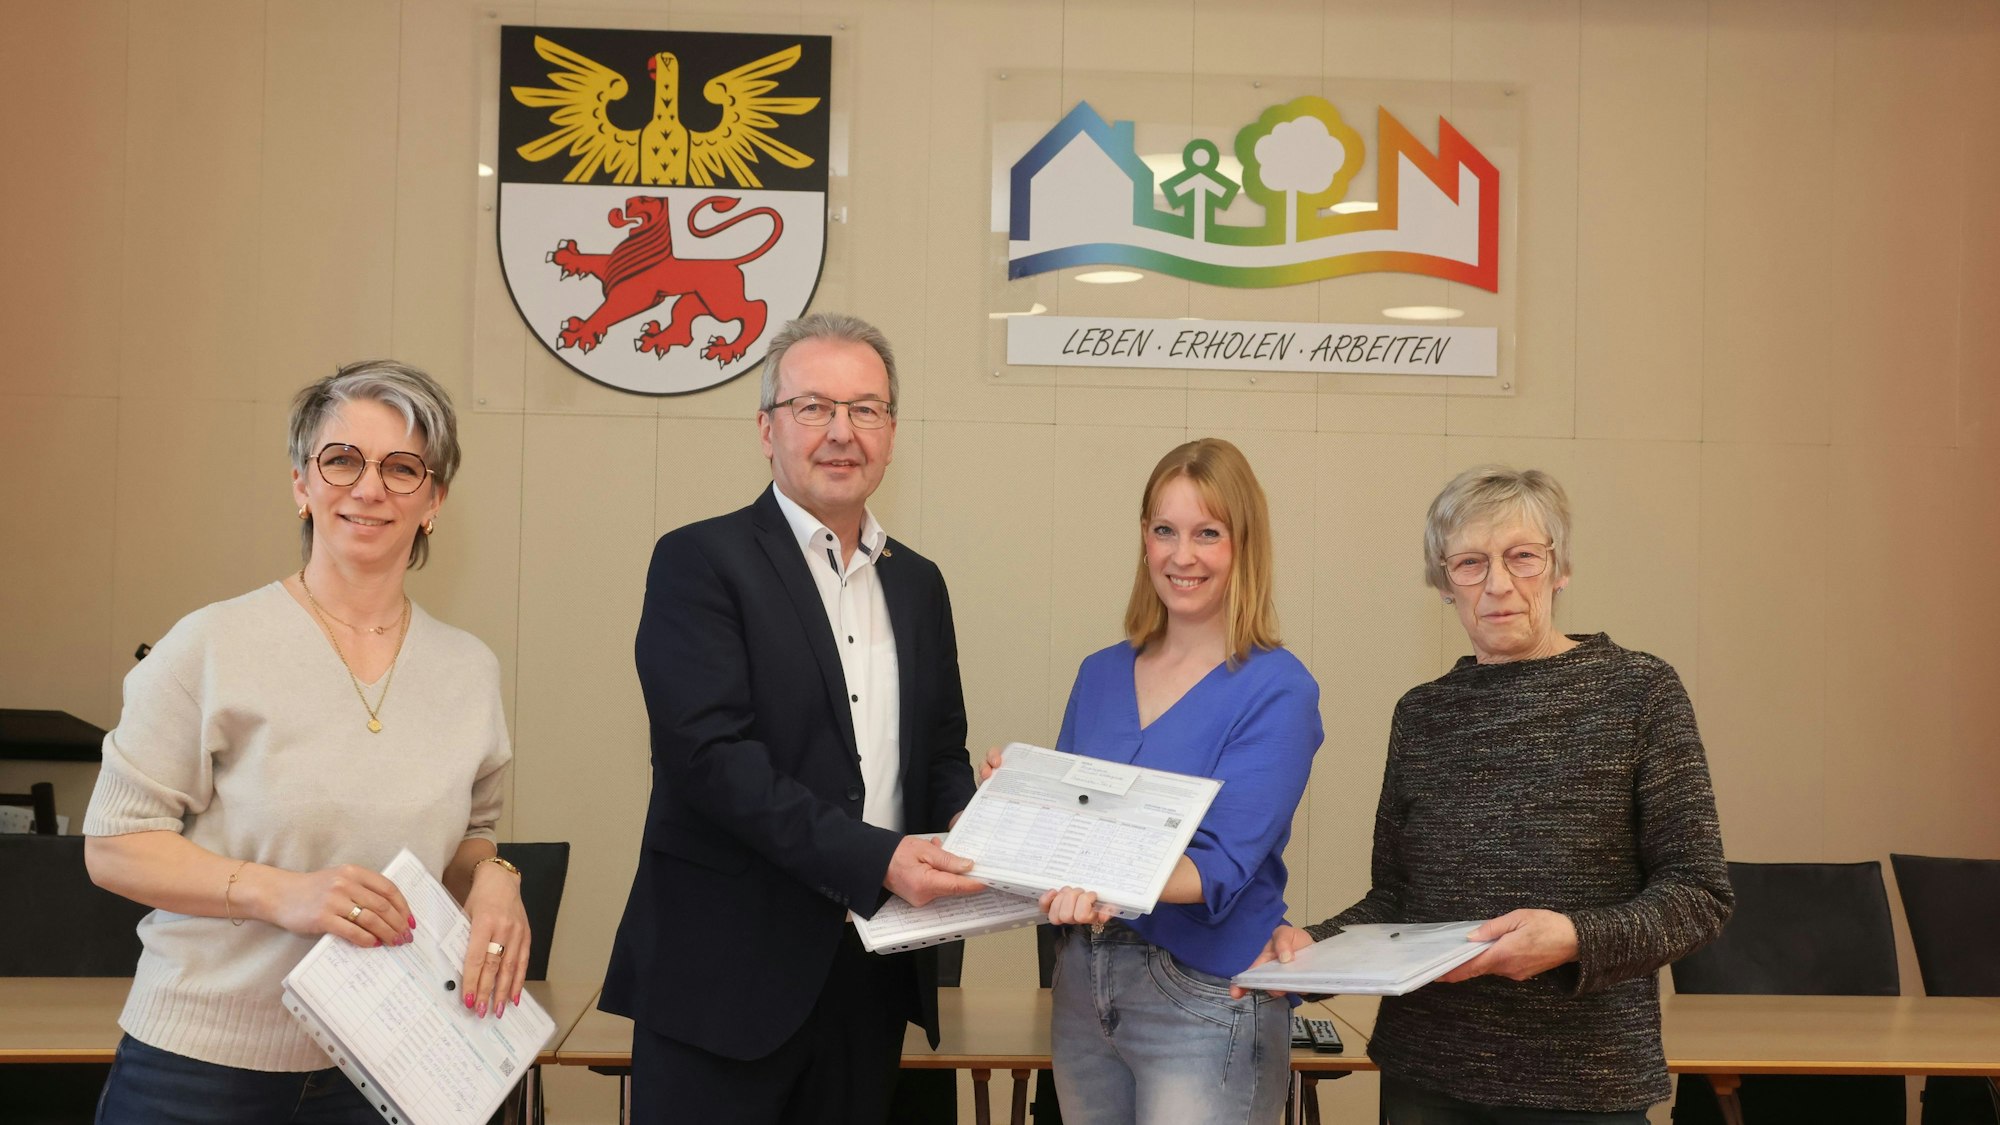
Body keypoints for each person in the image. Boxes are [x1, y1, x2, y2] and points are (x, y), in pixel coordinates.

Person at [82, 361, 526, 1125]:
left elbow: (469, 836)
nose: (369, 487)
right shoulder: (210, 644)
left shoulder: (469, 668)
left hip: (388, 1062)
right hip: (197, 1070)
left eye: (402, 468)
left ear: (434, 501)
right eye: (342, 459)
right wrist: (282, 892)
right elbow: (115, 846)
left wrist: (495, 877)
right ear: (301, 484)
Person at [1253, 465, 1732, 1124]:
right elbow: (1397, 901)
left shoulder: (1639, 692)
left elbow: (1699, 895)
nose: (1498, 584)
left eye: (1522, 557)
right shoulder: (1422, 715)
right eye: (1471, 563)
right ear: (1444, 582)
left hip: (1584, 1081)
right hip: (1427, 1077)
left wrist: (1574, 937)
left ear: (1560, 568)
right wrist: (1312, 950)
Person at [601, 312, 986, 1125]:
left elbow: (939, 750)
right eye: (814, 407)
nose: (842, 432)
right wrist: (879, 858)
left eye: (866, 409)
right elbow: (711, 760)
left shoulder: (918, 583)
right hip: (722, 982)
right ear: (766, 428)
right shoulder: (700, 561)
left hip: (870, 978)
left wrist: (974, 821)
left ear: (891, 432)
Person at [999, 438, 1321, 1125]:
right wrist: (1015, 806)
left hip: (1203, 995)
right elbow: (1070, 826)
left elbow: (1221, 866)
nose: (1183, 556)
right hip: (1082, 987)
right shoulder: (1100, 674)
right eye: (1165, 530)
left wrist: (1098, 875)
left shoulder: (1278, 688)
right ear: (1144, 538)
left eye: (1208, 533)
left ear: (1245, 544)